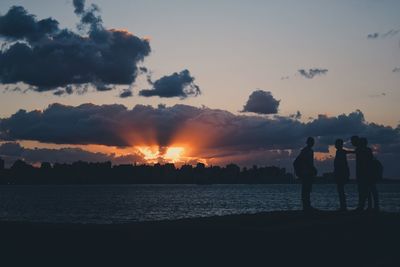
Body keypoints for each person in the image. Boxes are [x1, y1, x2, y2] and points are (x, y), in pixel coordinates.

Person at [294, 137, 317, 212]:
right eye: (311, 142)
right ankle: (306, 206)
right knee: (306, 189)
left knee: (307, 189)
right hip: (306, 173)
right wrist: (312, 168)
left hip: (307, 172)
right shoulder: (306, 151)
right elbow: (306, 161)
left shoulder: (308, 150)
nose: (312, 143)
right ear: (308, 142)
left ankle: (307, 205)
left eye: (313, 142)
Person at [359, 137, 379, 211]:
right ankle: (372, 206)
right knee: (370, 191)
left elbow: (366, 162)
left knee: (371, 190)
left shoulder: (365, 150)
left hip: (368, 173)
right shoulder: (367, 150)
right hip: (368, 173)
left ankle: (374, 206)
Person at [333, 139, 350, 211]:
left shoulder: (341, 152)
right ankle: (343, 206)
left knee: (341, 190)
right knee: (340, 190)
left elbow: (342, 164)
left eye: (337, 144)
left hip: (341, 173)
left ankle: (343, 206)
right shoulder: (339, 152)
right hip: (340, 172)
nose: (335, 145)